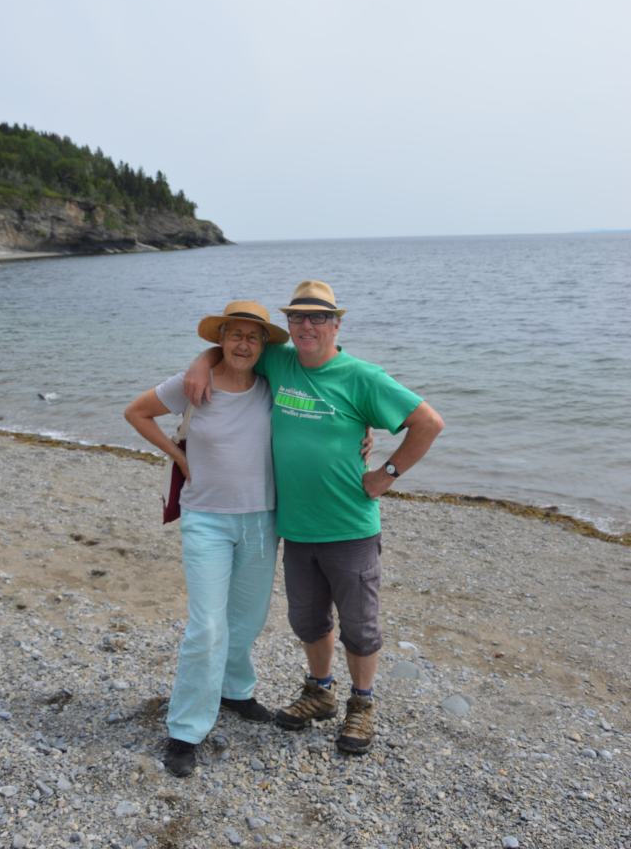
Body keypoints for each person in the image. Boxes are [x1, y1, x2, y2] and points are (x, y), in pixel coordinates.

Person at [184, 280, 444, 755]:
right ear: (288, 325)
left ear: (336, 324)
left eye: (318, 317)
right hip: (295, 528)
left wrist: (386, 475)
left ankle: (361, 704)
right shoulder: (279, 362)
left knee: (359, 627)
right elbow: (232, 349)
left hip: (350, 527)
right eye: (298, 317)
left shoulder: (362, 376)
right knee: (307, 620)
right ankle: (319, 692)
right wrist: (201, 363)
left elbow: (428, 422)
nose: (307, 325)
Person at [124, 300, 289, 778]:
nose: (244, 344)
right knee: (207, 627)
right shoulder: (194, 383)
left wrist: (365, 432)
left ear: (263, 346)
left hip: (262, 519)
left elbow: (326, 395)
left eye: (253, 337)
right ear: (221, 339)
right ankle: (185, 729)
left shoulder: (273, 385)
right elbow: (137, 413)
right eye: (235, 335)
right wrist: (178, 456)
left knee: (248, 620)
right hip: (206, 520)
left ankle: (235, 690)